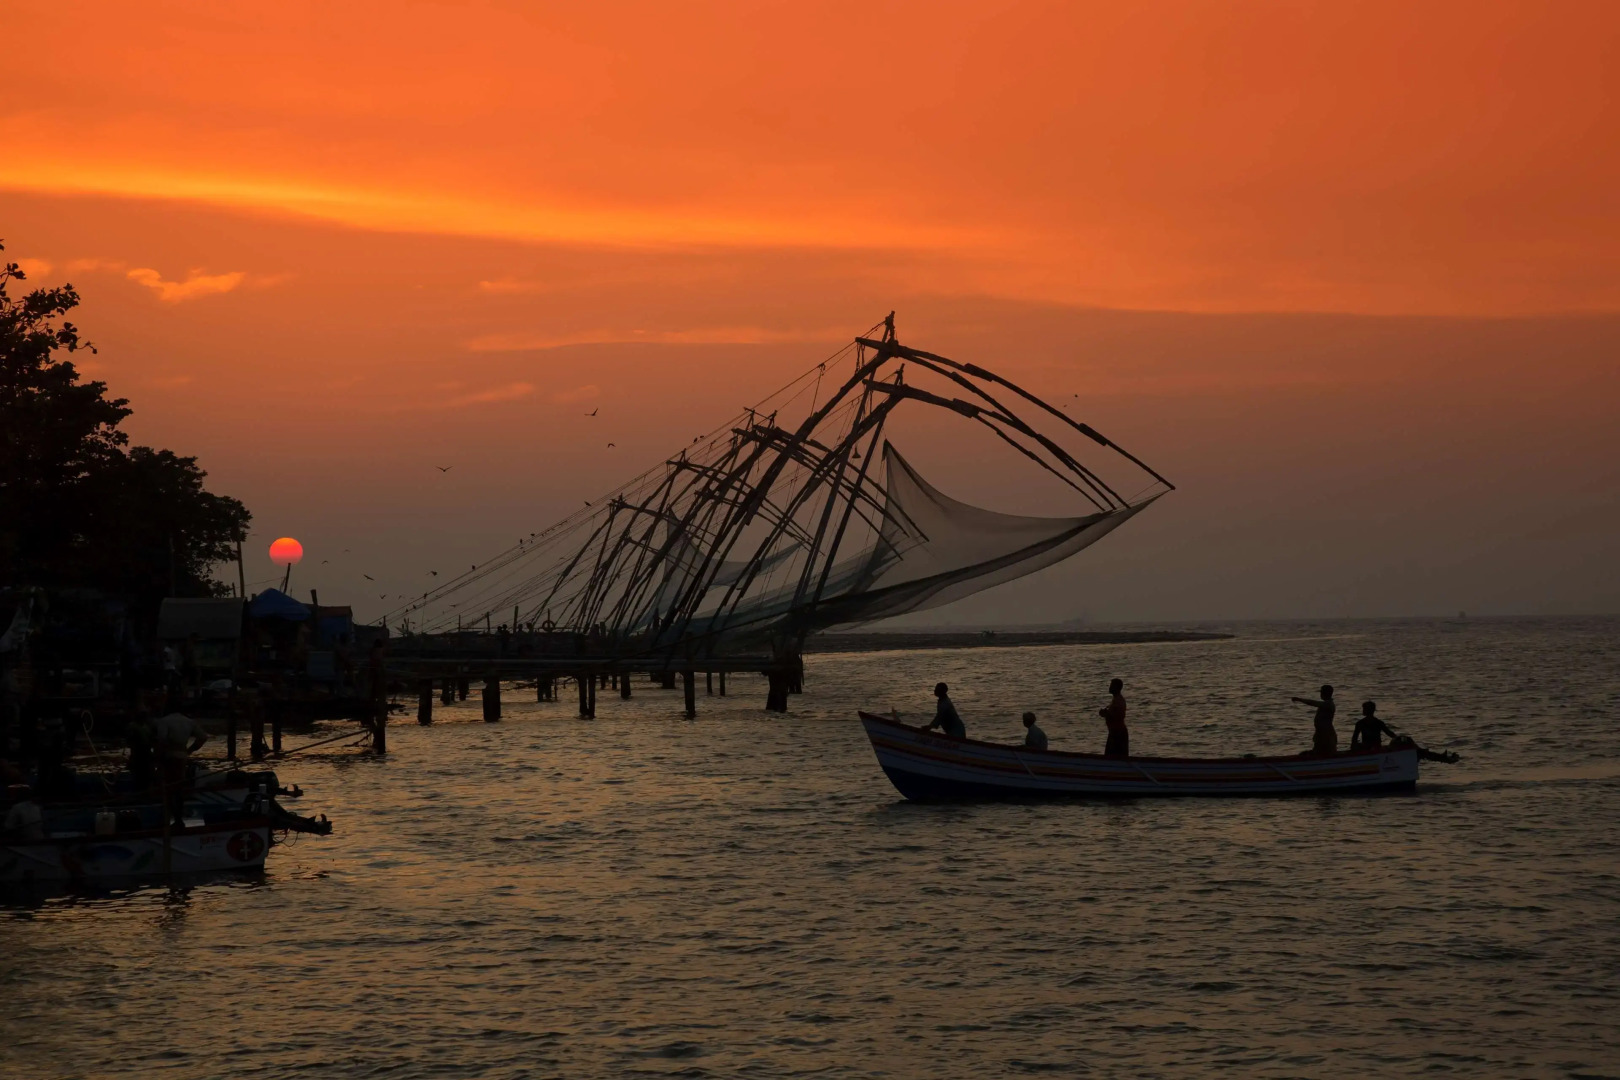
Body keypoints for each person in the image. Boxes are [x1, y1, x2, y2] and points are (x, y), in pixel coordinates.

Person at [150, 711, 208, 823]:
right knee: (179, 786)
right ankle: (178, 817)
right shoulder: (189, 721)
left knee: (168, 786)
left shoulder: (164, 721)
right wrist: (189, 750)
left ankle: (169, 814)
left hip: (169, 757)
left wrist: (157, 758)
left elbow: (162, 740)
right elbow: (203, 737)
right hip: (182, 756)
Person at [1292, 684, 1337, 755]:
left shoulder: (1329, 704)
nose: (1320, 694)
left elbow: (1313, 703)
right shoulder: (1325, 704)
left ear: (1326, 693)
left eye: (1322, 692)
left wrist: (1300, 699)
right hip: (1320, 734)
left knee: (1326, 753)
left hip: (1327, 735)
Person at [1099, 678, 1129, 757]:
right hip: (1114, 733)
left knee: (1116, 757)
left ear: (1116, 688)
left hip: (1118, 734)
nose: (1110, 687)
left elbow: (1118, 716)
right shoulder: (1115, 700)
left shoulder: (1119, 701)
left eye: (1111, 685)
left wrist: (1106, 713)